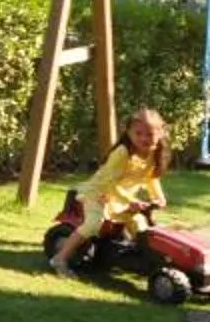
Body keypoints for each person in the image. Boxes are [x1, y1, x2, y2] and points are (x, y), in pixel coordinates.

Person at [50, 104, 172, 277]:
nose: (144, 138)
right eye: (138, 133)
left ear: (160, 134)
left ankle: (140, 262)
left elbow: (151, 179)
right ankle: (60, 258)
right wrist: (130, 201)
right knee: (94, 223)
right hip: (100, 193)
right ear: (129, 133)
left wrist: (159, 198)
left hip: (122, 198)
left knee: (140, 225)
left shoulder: (153, 154)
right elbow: (110, 183)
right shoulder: (123, 153)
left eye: (150, 134)